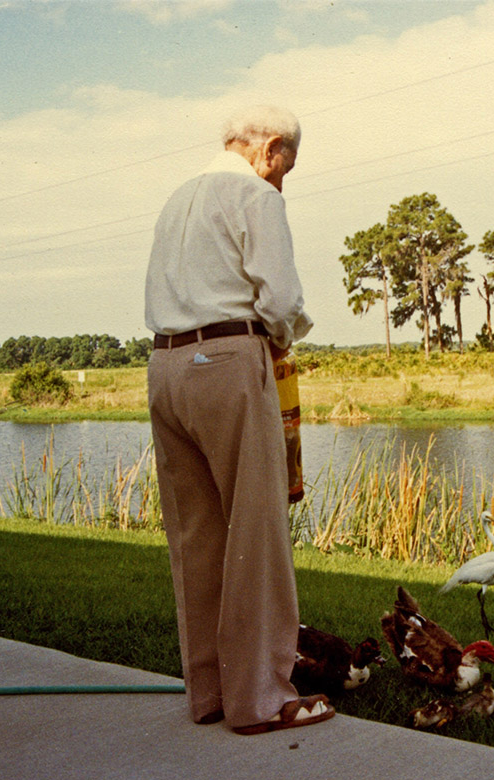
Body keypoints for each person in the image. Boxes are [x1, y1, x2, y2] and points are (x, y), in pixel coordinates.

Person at [144, 105, 332, 735]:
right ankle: (260, 698)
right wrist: (285, 336)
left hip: (165, 366)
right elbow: (279, 300)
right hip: (227, 359)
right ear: (269, 148)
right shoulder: (255, 196)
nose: (284, 180)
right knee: (257, 531)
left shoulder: (177, 198)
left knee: (197, 536)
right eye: (288, 166)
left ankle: (211, 693)